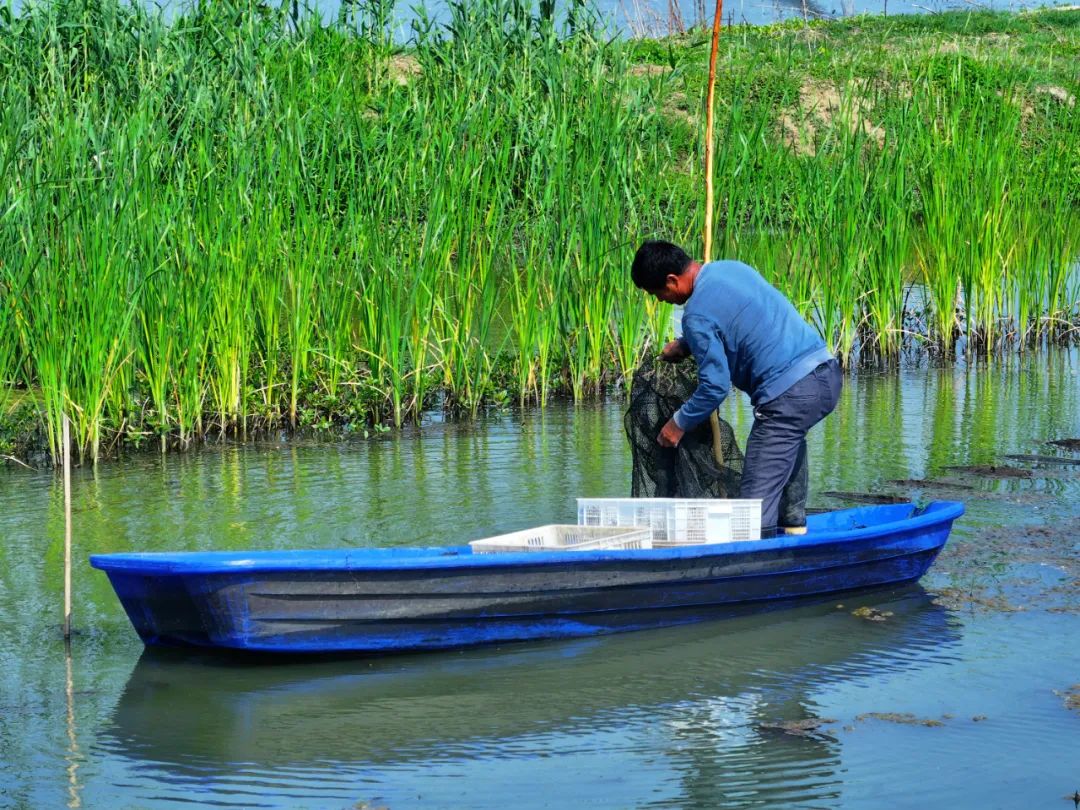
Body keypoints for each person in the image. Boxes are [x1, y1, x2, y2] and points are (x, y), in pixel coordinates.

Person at [630, 239, 842, 537]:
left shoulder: (696, 316)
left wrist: (678, 423)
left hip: (791, 394)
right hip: (825, 375)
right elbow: (738, 317)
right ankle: (794, 528)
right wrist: (687, 344)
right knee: (788, 440)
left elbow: (714, 388)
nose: (661, 300)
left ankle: (757, 557)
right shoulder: (729, 269)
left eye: (658, 293)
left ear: (672, 280)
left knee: (752, 508)